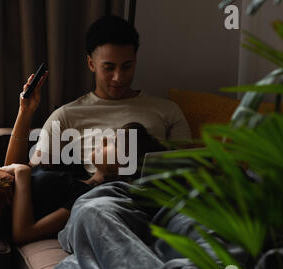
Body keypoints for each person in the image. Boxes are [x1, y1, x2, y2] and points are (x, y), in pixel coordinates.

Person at [2, 72, 166, 245]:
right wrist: (25, 110)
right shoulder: (75, 167)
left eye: (113, 142)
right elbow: (9, 172)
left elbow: (24, 234)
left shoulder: (85, 198)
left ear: (124, 164)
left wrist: (22, 172)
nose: (103, 139)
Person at [30, 15, 192, 173]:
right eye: (109, 67)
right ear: (91, 64)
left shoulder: (168, 110)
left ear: (135, 61)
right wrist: (25, 112)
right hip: (97, 193)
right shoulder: (66, 115)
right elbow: (27, 172)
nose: (118, 77)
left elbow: (188, 169)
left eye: (127, 66)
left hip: (153, 192)